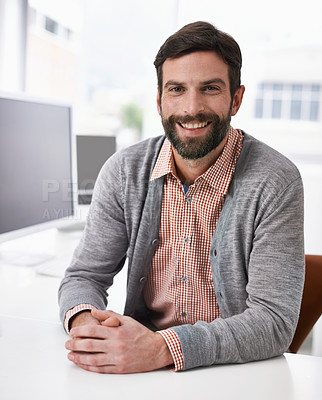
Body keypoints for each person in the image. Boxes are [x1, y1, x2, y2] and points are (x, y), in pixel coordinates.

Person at [58, 21, 305, 374]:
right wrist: (86, 327)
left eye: (209, 88)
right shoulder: (124, 171)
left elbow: (274, 322)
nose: (191, 108)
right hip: (139, 370)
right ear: (159, 101)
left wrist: (161, 348)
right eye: (177, 89)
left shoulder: (275, 181)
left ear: (235, 99)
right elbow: (84, 276)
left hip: (231, 372)